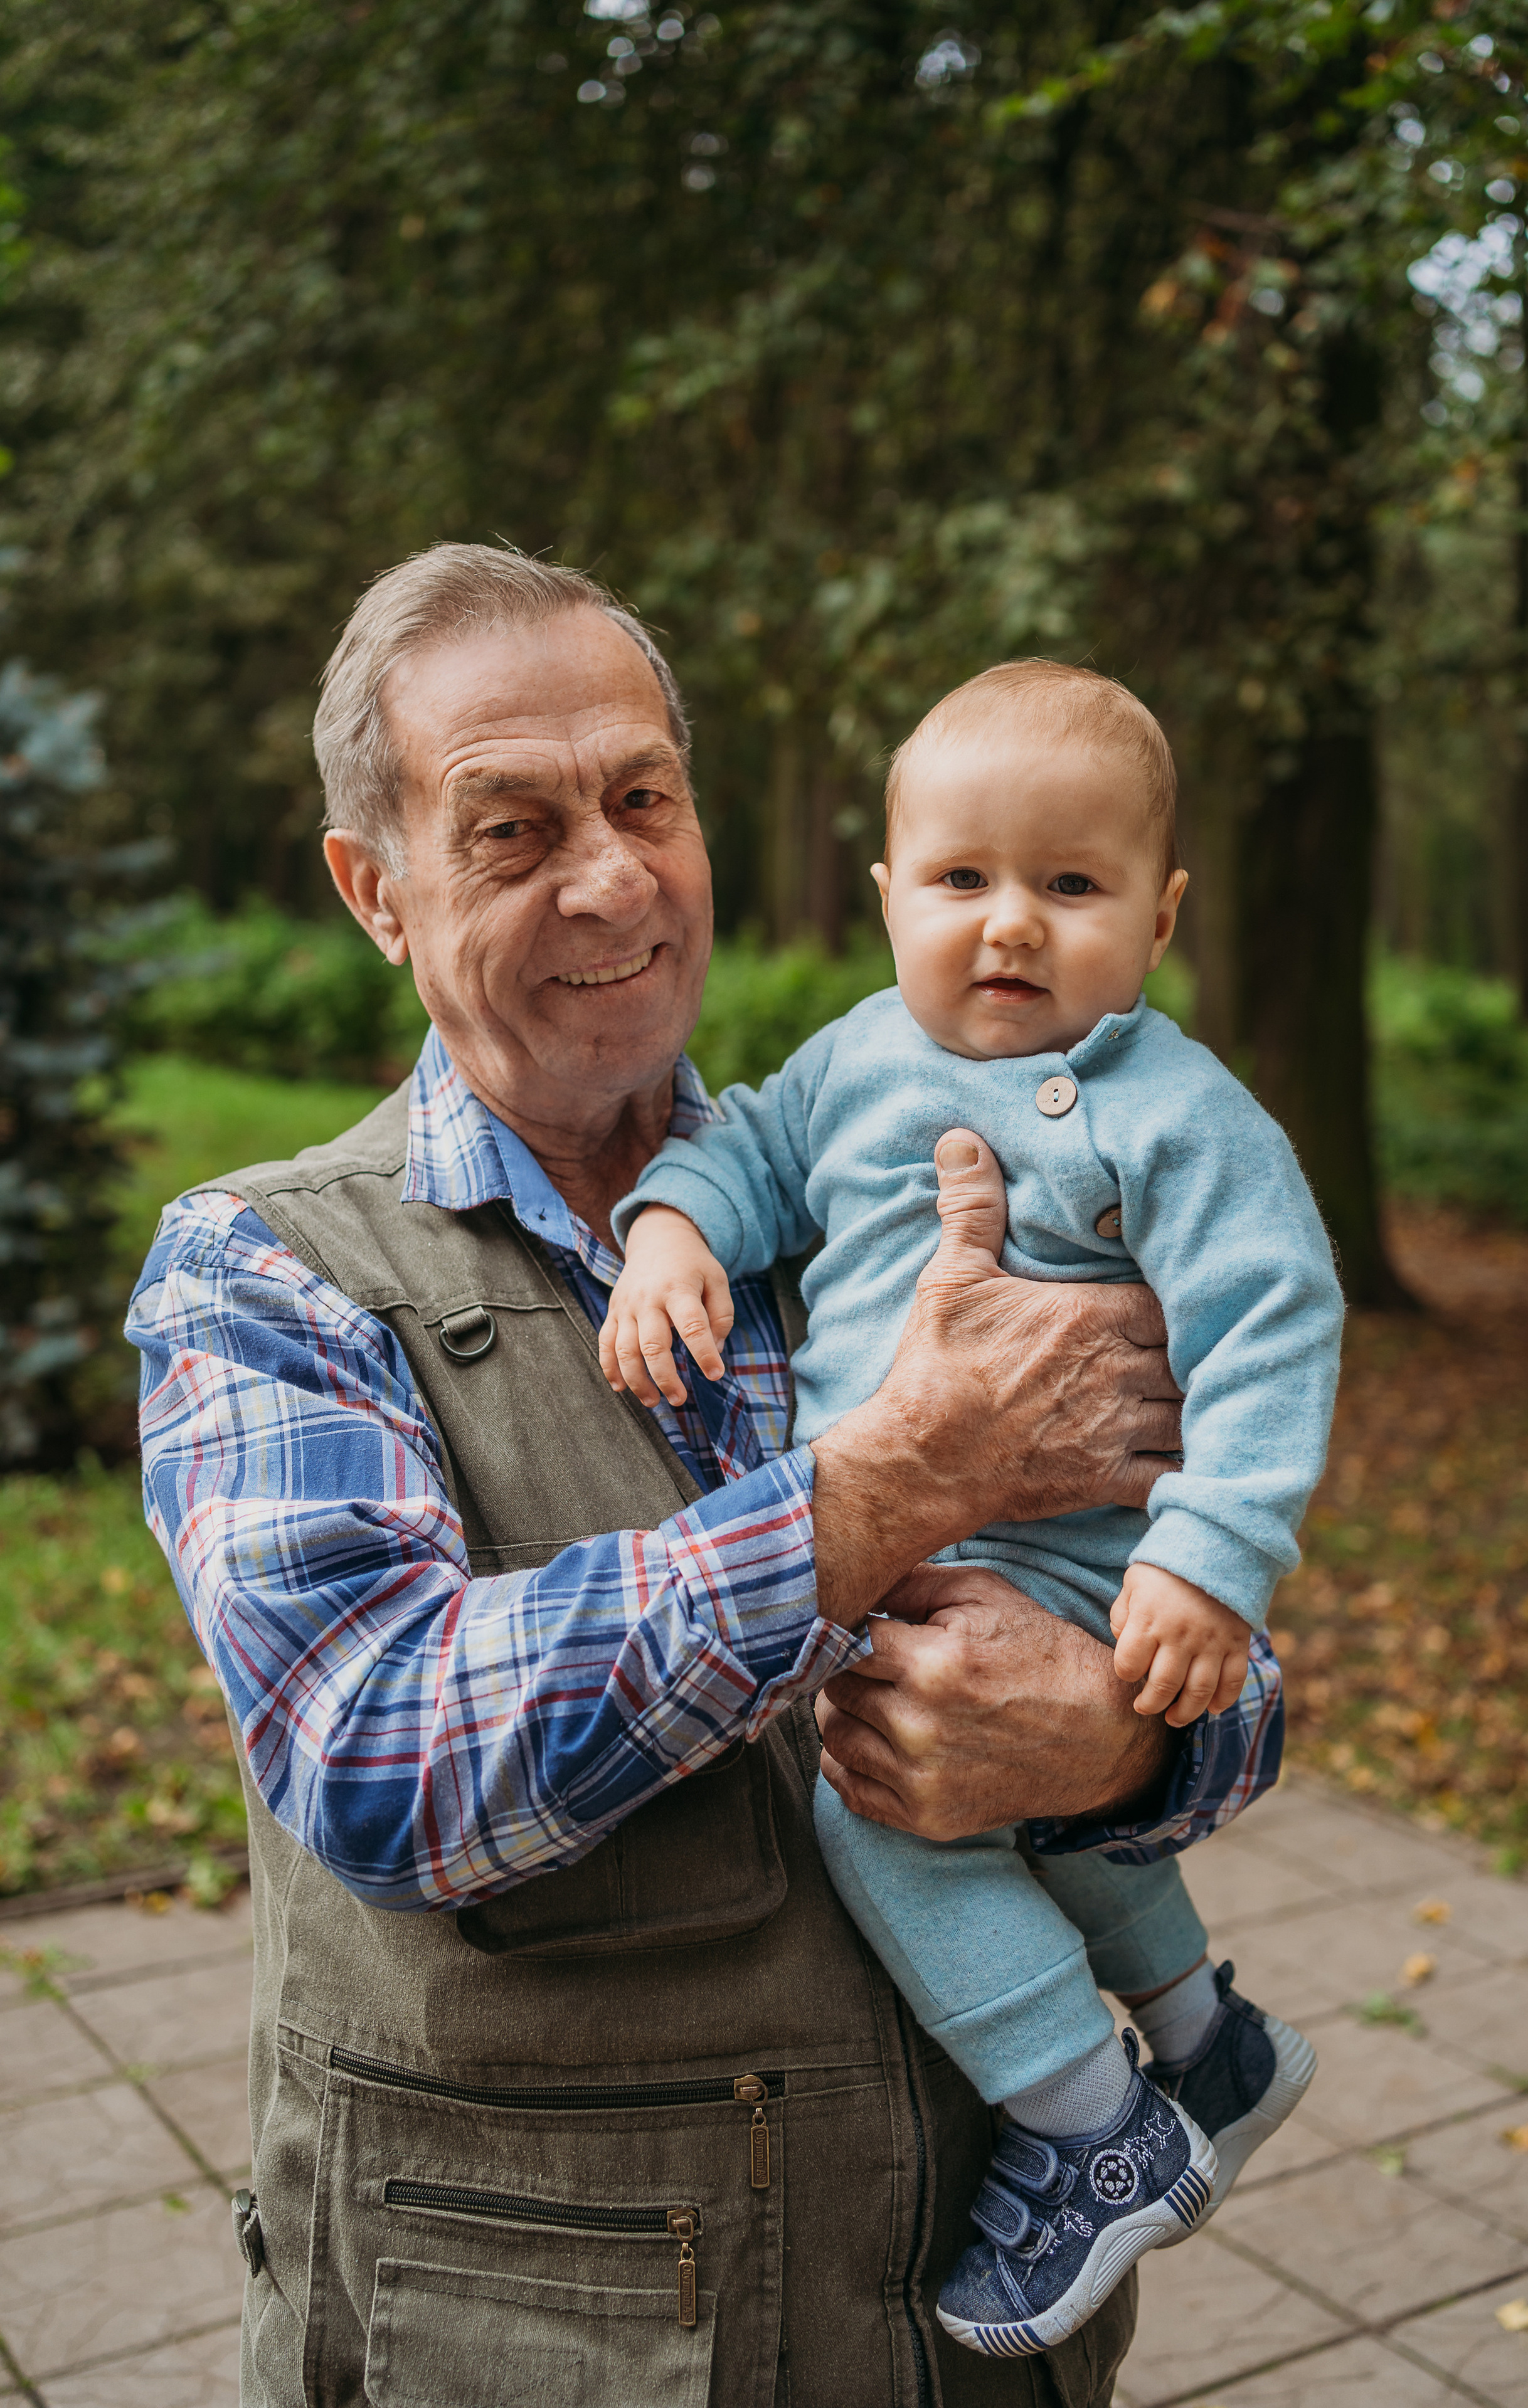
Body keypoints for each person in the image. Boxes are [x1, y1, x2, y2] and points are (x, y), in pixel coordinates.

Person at [127, 547, 1283, 2408]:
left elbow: (1210, 1629)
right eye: (511, 830)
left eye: (645, 799)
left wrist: (1123, 1742)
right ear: (377, 893)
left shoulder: (895, 1194)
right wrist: (866, 1505)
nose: (612, 877)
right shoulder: (265, 1275)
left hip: (978, 2340)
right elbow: (380, 1754)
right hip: (553, 2345)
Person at [603, 660, 1342, 2357]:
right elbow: (747, 1156)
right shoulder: (855, 1064)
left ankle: (1091, 2125)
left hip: (1081, 1560)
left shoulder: (1177, 1113)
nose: (1009, 926)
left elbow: (1271, 1320)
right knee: (1011, 1791)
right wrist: (671, 1230)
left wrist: (1212, 1560)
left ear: (1159, 917)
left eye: (1068, 887)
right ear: (885, 898)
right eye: (962, 882)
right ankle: (1203, 2042)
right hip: (912, 1544)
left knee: (891, 1800)